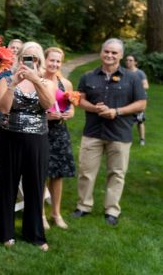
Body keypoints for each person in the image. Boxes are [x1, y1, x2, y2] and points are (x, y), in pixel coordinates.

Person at [73, 39, 147, 226]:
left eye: (114, 53)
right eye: (106, 51)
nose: (110, 55)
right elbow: (80, 100)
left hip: (120, 133)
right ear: (101, 52)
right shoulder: (88, 76)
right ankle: (83, 206)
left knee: (117, 173)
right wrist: (94, 108)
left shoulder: (133, 78)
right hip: (93, 132)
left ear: (121, 55)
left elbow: (141, 103)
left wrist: (117, 111)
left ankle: (112, 210)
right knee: (86, 171)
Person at [0, 41, 56, 251]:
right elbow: (2, 108)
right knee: (7, 185)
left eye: (35, 58)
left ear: (40, 62)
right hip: (9, 137)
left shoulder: (45, 82)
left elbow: (47, 105)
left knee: (35, 186)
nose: (30, 62)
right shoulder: (6, 79)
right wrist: (13, 84)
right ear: (18, 59)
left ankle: (35, 234)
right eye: (26, 58)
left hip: (37, 140)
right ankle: (4, 232)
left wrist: (36, 81)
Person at [42, 47, 76, 230]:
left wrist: (70, 111)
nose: (54, 64)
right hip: (41, 132)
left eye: (58, 61)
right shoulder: (37, 81)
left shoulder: (66, 83)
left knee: (58, 175)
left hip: (60, 133)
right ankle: (40, 215)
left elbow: (71, 106)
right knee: (42, 174)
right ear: (45, 60)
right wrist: (46, 117)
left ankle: (56, 213)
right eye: (51, 60)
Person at [0, 39, 23, 131]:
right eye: (13, 47)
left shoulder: (25, 70)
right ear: (7, 49)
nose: (15, 49)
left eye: (18, 48)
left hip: (17, 116)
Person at [124, 54, 149, 146]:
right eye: (127, 60)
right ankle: (125, 138)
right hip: (126, 99)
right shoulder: (124, 72)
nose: (128, 62)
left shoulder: (139, 73)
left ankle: (142, 139)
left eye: (130, 60)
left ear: (135, 62)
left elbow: (146, 86)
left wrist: (134, 88)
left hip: (138, 99)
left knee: (139, 120)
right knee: (125, 119)